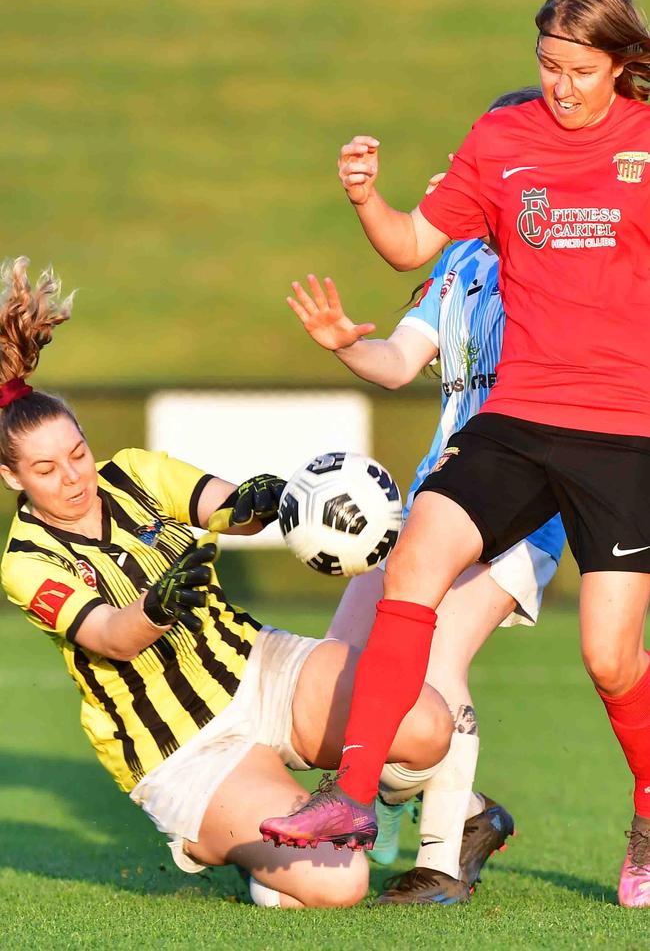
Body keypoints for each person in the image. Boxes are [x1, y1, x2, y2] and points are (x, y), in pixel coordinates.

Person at [261, 0, 650, 908]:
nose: (561, 87)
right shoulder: (502, 139)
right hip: (516, 419)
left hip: (625, 432)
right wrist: (365, 198)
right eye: (548, 66)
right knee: (416, 561)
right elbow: (408, 245)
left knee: (608, 657)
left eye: (582, 71)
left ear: (621, 65)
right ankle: (354, 801)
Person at [0, 257, 454, 910]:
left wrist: (270, 499)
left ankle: (359, 798)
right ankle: (248, 857)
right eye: (47, 468)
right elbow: (110, 634)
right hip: (184, 748)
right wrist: (156, 608)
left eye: (76, 452)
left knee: (426, 725)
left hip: (258, 667)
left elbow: (227, 505)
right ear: (14, 478)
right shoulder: (25, 561)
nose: (73, 476)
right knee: (340, 881)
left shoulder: (132, 472)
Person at [285, 96, 565, 903]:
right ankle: (464, 806)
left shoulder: (547, 271)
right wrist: (347, 343)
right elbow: (399, 363)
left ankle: (444, 859)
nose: (459, 174)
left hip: (520, 516)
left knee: (435, 667)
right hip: (436, 505)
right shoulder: (458, 265)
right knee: (344, 674)